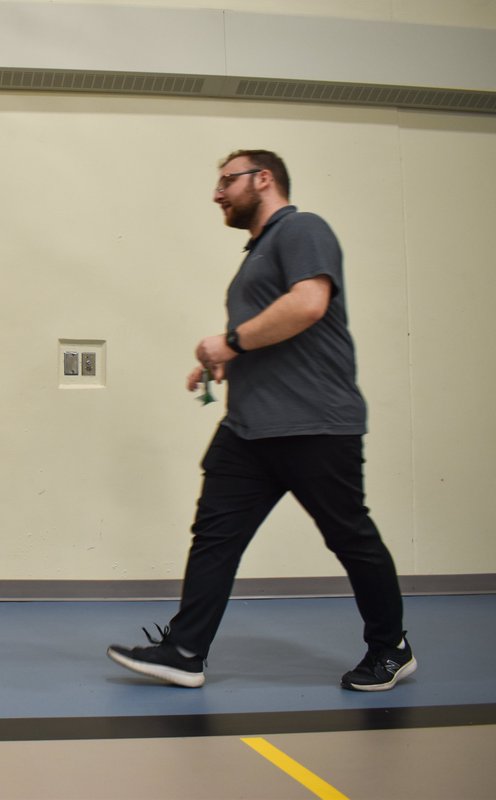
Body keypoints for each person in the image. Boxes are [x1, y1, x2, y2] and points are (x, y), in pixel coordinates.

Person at [107, 150, 415, 691]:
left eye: (227, 181)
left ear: (264, 179)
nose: (217, 193)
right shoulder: (258, 253)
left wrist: (228, 341)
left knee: (350, 537)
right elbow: (274, 327)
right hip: (250, 428)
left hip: (315, 423)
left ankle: (391, 648)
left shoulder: (302, 229)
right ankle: (184, 651)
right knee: (214, 536)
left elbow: (308, 305)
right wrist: (228, 357)